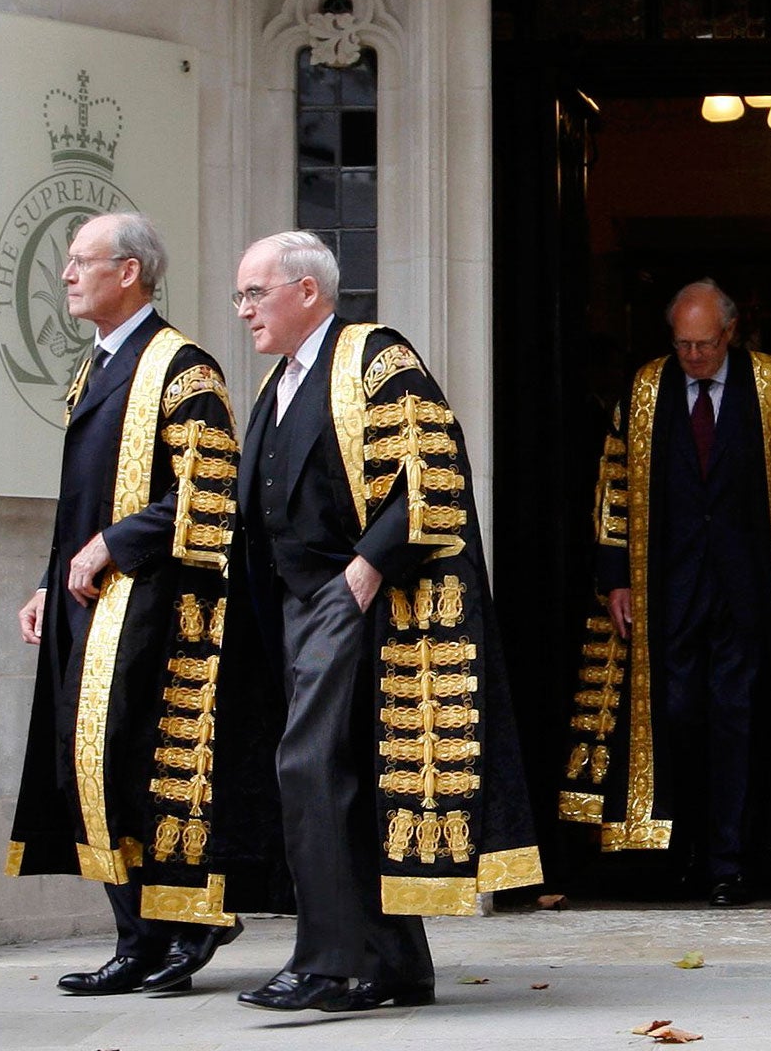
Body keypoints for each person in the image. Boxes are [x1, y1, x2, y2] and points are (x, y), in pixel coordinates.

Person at [231, 231, 540, 1013]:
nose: (243, 311)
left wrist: (367, 567)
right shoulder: (281, 382)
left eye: (254, 293)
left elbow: (432, 473)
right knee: (348, 779)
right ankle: (396, 965)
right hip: (297, 605)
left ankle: (330, 965)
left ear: (307, 291)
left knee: (311, 770)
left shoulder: (375, 358)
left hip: (355, 600)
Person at [7, 212, 260, 996]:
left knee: (146, 763)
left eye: (83, 261)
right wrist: (54, 578)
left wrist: (115, 544)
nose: (68, 275)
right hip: (94, 601)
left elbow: (212, 489)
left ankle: (192, 921)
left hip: (158, 607)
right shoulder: (98, 366)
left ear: (129, 273)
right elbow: (81, 497)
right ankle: (138, 938)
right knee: (92, 766)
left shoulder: (183, 369)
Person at [558, 279, 771, 906]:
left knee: (737, 717)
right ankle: (679, 851)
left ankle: (729, 862)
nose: (693, 357)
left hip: (749, 582)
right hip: (667, 584)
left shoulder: (770, 383)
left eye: (704, 345)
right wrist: (615, 577)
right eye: (683, 345)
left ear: (729, 332)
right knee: (676, 714)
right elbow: (614, 482)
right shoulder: (646, 386)